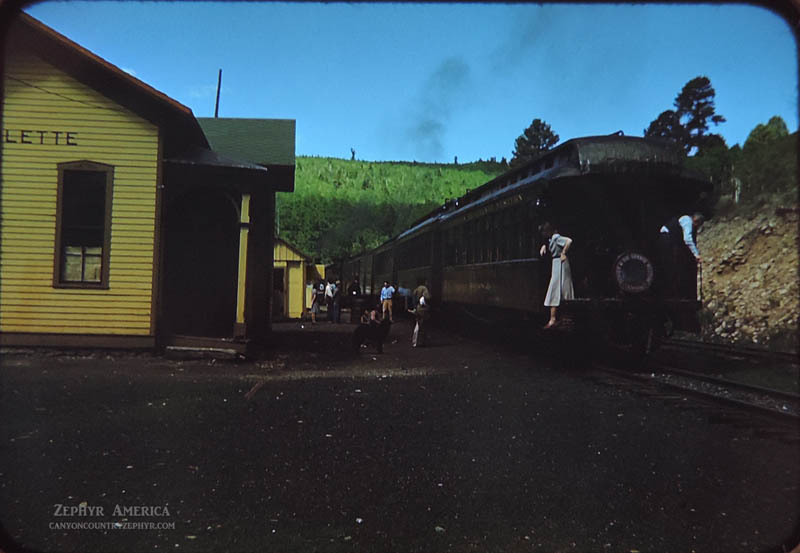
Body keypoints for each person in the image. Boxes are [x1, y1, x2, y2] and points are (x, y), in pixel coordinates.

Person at [658, 212, 704, 297]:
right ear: (696, 222)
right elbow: (687, 239)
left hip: (669, 239)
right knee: (670, 265)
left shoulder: (686, 221)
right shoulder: (688, 222)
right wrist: (696, 254)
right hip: (667, 239)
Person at [539, 222, 574, 329]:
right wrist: (544, 245)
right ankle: (556, 318)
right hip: (556, 263)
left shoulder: (556, 237)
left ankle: (555, 318)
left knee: (560, 288)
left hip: (560, 262)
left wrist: (563, 252)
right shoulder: (551, 239)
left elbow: (569, 241)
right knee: (556, 288)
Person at [408, 281, 431, 347]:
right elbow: (428, 298)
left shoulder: (416, 290)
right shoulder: (425, 289)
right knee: (424, 327)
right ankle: (423, 342)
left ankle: (415, 342)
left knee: (417, 326)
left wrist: (415, 307)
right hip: (423, 310)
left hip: (418, 309)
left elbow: (413, 299)